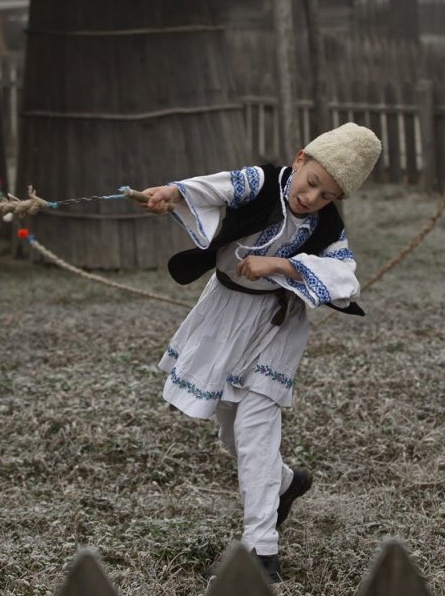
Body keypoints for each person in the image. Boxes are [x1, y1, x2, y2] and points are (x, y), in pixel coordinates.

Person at [138, 122, 381, 583]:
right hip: (225, 314)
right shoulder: (262, 182)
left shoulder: (326, 227)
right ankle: (286, 483)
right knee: (233, 437)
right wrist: (170, 192)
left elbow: (346, 278)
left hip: (275, 324)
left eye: (327, 195)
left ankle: (261, 553)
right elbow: (217, 187)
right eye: (312, 183)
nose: (312, 198)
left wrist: (282, 264)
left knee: (254, 431)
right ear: (300, 158)